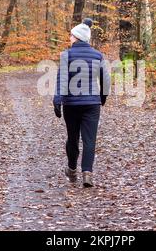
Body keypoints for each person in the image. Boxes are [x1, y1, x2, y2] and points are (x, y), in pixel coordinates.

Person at [53, 18, 111, 188]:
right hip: (92, 104)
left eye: (71, 35)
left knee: (72, 138)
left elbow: (62, 80)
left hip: (71, 104)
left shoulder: (66, 55)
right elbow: (106, 79)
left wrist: (58, 100)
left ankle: (71, 170)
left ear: (77, 37)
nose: (69, 38)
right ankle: (87, 173)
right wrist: (103, 96)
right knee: (89, 139)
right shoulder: (98, 55)